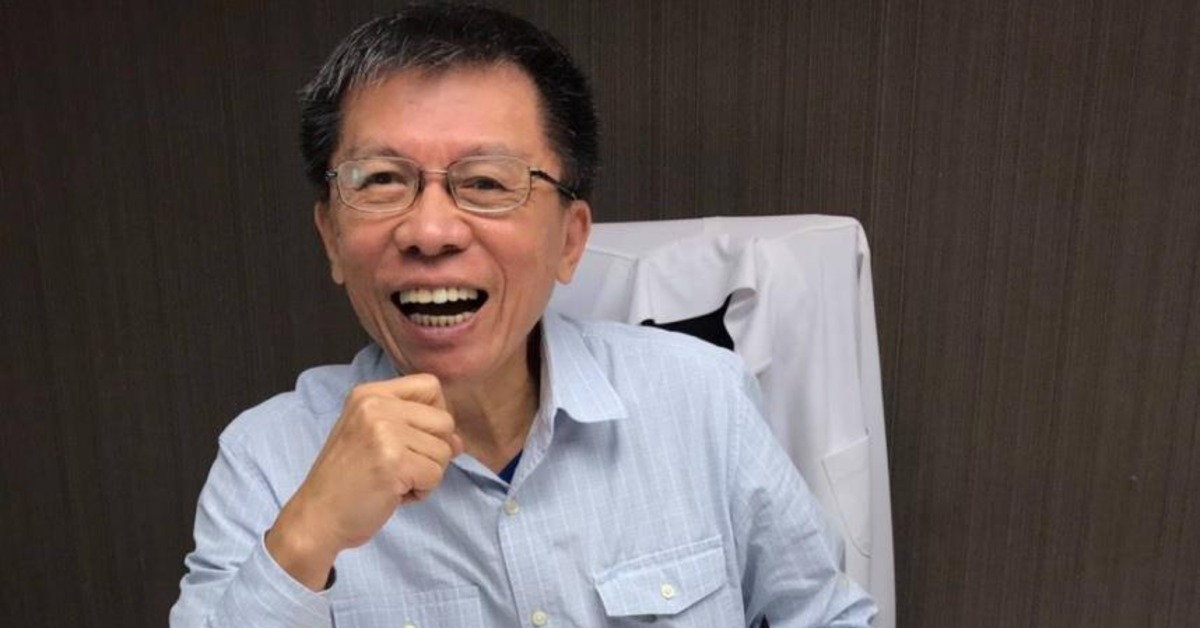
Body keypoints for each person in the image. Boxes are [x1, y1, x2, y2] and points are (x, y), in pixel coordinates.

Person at [170, 3, 876, 626]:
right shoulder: (267, 461)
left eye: (485, 182)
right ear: (331, 237)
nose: (430, 231)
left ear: (569, 240)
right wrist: (307, 537)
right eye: (382, 180)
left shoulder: (703, 398)